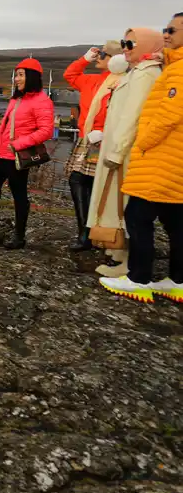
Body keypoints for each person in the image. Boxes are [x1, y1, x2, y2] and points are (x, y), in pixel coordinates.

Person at [100, 16, 183, 302]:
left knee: (137, 216)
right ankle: (177, 280)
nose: (166, 34)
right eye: (165, 30)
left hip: (162, 156)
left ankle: (139, 278)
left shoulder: (177, 72)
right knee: (174, 221)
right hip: (171, 157)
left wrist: (143, 144)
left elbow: (169, 115)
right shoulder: (171, 66)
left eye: (172, 30)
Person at [86, 28, 165, 279]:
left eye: (131, 43)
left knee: (121, 205)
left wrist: (117, 151)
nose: (126, 47)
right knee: (117, 204)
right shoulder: (138, 72)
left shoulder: (145, 74)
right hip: (119, 146)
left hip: (125, 151)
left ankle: (127, 259)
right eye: (124, 43)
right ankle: (119, 254)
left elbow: (132, 116)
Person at [0, 58, 54, 249]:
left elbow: (46, 130)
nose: (16, 79)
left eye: (21, 75)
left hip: (17, 157)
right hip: (1, 155)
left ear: (31, 77)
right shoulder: (16, 99)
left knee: (19, 196)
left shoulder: (42, 101)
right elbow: (3, 126)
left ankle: (19, 237)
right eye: (16, 75)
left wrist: (18, 144)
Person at [62, 41, 123, 251]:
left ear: (115, 60)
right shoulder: (91, 80)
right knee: (78, 180)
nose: (99, 57)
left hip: (105, 140)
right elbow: (69, 76)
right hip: (87, 138)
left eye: (103, 54)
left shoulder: (121, 83)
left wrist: (106, 132)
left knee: (95, 185)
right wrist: (84, 59)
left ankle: (91, 234)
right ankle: (85, 232)